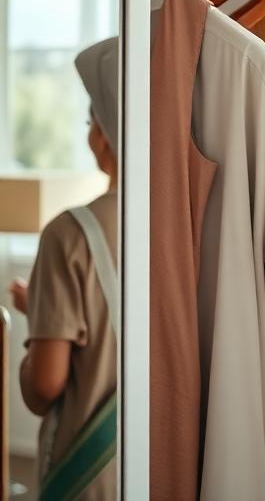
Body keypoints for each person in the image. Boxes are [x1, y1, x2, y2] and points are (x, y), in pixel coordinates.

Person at [8, 37, 119, 501]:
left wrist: (38, 324)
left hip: (88, 472)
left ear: (102, 132)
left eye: (89, 119)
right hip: (164, 460)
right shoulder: (183, 224)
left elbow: (45, 385)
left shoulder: (69, 235)